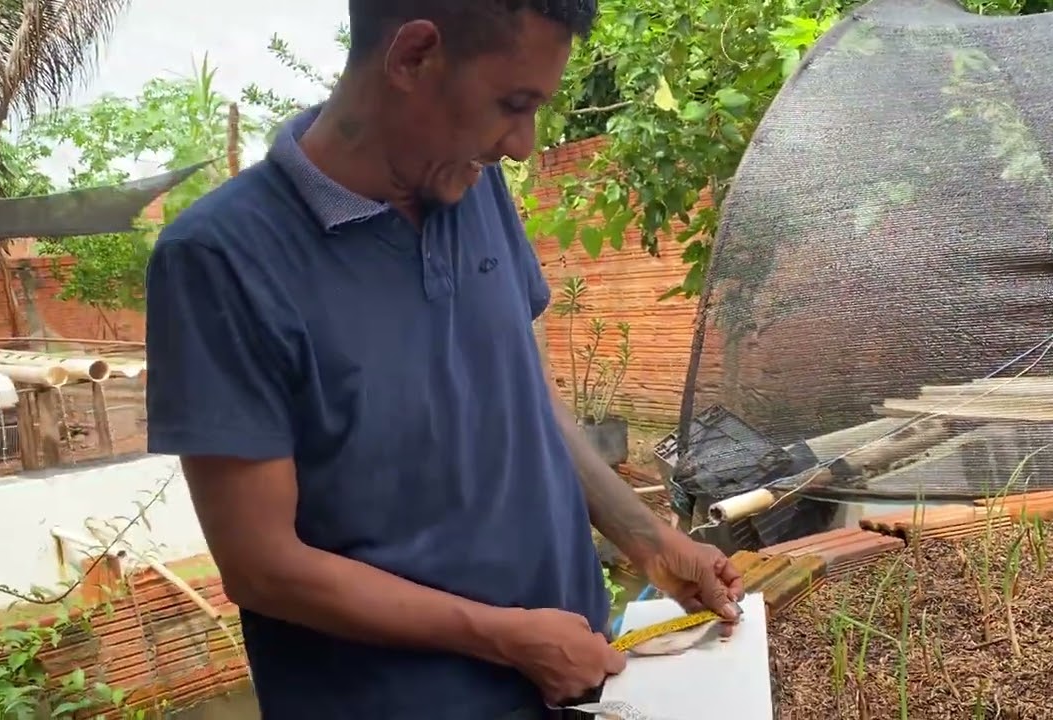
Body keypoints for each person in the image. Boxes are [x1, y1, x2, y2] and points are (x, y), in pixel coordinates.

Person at [144, 1, 744, 718]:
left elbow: (524, 390)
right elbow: (262, 566)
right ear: (413, 57)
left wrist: (650, 541)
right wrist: (508, 638)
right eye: (512, 105)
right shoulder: (220, 259)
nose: (522, 145)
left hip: (575, 678)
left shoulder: (468, 182)